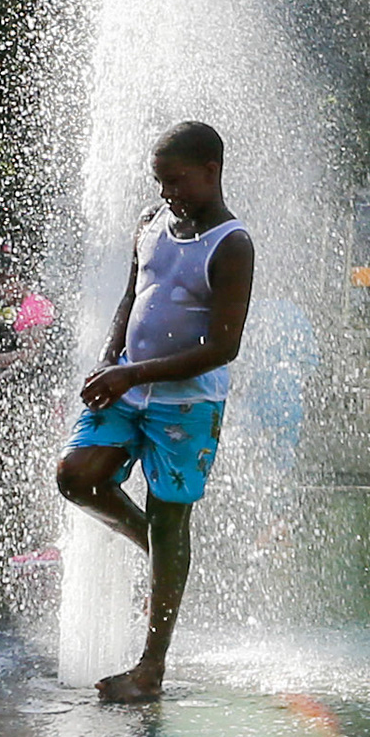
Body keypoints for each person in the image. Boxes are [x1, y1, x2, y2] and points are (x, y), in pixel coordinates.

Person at [55, 121, 253, 705]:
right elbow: (130, 294)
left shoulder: (232, 244)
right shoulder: (151, 222)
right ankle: (161, 551)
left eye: (177, 180)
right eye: (160, 180)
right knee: (76, 476)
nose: (167, 191)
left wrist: (133, 373)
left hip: (186, 405)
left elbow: (223, 348)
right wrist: (108, 358)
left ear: (211, 171)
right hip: (127, 388)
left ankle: (150, 668)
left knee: (173, 519)